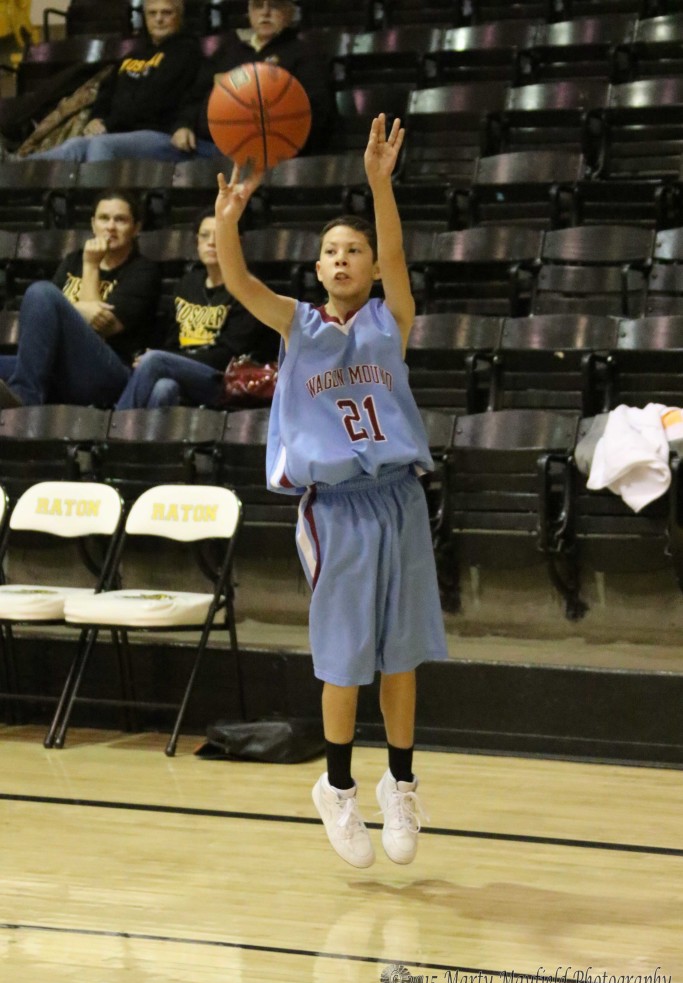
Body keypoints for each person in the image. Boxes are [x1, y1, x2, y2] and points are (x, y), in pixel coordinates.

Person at [214, 114, 448, 869]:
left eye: (354, 251)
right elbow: (243, 283)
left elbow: (399, 249)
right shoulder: (298, 325)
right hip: (337, 508)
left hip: (400, 498)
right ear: (317, 269)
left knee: (402, 656)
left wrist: (380, 182)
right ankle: (338, 787)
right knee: (345, 658)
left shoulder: (392, 319)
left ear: (372, 268)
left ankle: (401, 785)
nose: (342, 258)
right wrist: (226, 227)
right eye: (330, 251)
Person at [0, 190, 161, 408]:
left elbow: (99, 327)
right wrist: (78, 310)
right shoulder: (72, 260)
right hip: (59, 366)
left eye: (120, 220)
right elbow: (46, 316)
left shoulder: (143, 271)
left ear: (136, 228)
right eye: (104, 218)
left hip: (107, 374)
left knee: (41, 291)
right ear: (93, 224)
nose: (110, 227)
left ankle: (25, 397)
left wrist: (91, 266)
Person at [115, 208, 277, 409]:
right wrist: (167, 359)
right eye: (204, 236)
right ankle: (139, 440)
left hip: (223, 379)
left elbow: (227, 356)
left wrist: (165, 360)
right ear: (197, 242)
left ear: (238, 242)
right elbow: (172, 341)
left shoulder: (249, 290)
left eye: (220, 236)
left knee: (154, 361)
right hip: (183, 372)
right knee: (164, 388)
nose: (211, 242)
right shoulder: (187, 284)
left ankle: (110, 433)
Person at [26, 0, 200, 163]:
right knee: (75, 145)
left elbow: (154, 101)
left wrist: (109, 124)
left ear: (179, 16)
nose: (159, 19)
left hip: (158, 132)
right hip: (119, 132)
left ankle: (101, 196)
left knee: (100, 145)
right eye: (152, 13)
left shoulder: (187, 53)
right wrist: (97, 118)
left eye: (166, 13)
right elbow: (106, 91)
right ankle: (19, 166)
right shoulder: (132, 56)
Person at [164, 0, 333, 162]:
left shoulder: (304, 55)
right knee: (142, 144)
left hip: (272, 153)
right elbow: (196, 95)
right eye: (258, 5)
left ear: (289, 13)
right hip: (211, 148)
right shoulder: (229, 50)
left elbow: (317, 112)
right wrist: (184, 125)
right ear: (250, 12)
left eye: (274, 5)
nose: (265, 12)